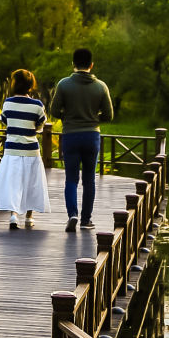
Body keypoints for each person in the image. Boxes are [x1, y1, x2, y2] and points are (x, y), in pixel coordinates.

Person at [49, 47, 114, 233]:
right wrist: (93, 119)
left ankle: (72, 215)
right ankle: (86, 220)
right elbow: (109, 115)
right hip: (92, 135)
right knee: (89, 179)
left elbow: (53, 111)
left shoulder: (63, 84)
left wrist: (67, 117)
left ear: (73, 64)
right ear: (91, 65)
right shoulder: (101, 86)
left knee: (71, 178)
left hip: (70, 135)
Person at [0, 68, 49, 230]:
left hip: (12, 150)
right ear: (31, 85)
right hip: (31, 150)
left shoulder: (8, 103)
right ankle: (29, 217)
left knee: (13, 183)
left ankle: (13, 215)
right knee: (31, 183)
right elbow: (40, 125)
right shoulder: (37, 105)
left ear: (14, 84)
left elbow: (5, 121)